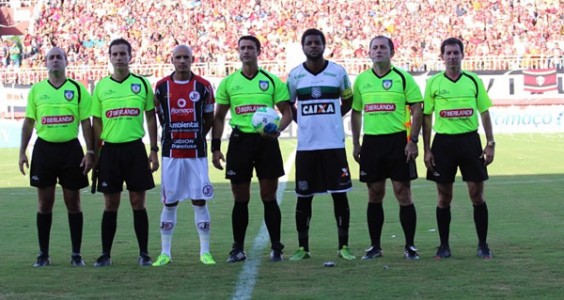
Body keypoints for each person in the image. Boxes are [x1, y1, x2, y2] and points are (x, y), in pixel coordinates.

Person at [211, 35, 293, 263]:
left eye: (250, 48)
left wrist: (278, 129)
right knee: (241, 198)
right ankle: (237, 248)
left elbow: (287, 111)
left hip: (266, 142)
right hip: (239, 141)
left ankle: (277, 247)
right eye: (242, 48)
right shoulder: (229, 82)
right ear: (238, 52)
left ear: (259, 51)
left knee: (269, 195)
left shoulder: (271, 80)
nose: (246, 51)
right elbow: (218, 117)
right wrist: (215, 148)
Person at [19, 47, 93, 267]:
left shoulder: (78, 90)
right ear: (46, 63)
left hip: (71, 150)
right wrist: (22, 151)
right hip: (44, 151)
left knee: (74, 202)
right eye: (51, 58)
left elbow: (86, 122)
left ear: (66, 61)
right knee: (44, 203)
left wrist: (90, 151)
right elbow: (29, 122)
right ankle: (43, 254)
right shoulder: (36, 90)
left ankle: (76, 254)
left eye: (59, 57)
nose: (55, 61)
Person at [351, 35, 423, 260]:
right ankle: (375, 247)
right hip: (372, 143)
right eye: (375, 47)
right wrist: (356, 142)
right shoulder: (362, 80)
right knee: (374, 194)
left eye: (383, 47)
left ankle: (410, 246)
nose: (379, 51)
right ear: (369, 52)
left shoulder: (403, 78)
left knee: (403, 193)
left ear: (392, 52)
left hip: (398, 142)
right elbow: (356, 112)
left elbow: (417, 109)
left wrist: (413, 141)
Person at [286, 28, 355, 261]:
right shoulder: (295, 75)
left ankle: (343, 246)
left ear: (324, 45)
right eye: (309, 43)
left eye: (317, 42)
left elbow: (348, 100)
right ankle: (302, 248)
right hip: (307, 147)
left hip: (333, 145)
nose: (313, 46)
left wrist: (334, 116)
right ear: (303, 47)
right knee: (304, 197)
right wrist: (303, 121)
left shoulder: (338, 72)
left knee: (340, 195)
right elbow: (289, 105)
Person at [422, 37, 495, 259]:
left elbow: (484, 112)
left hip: (470, 142)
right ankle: (444, 246)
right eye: (448, 53)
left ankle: (483, 245)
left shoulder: (473, 81)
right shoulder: (434, 83)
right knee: (444, 197)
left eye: (456, 52)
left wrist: (490, 143)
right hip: (443, 144)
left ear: (463, 55)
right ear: (442, 57)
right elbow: (426, 117)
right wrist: (427, 148)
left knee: (477, 195)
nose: (452, 56)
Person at [91, 38, 159, 267]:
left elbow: (151, 116)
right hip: (110, 151)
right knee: (110, 204)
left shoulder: (142, 84)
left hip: (135, 149)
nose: (119, 57)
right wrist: (94, 152)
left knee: (138, 202)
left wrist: (153, 149)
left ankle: (144, 253)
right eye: (115, 54)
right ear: (109, 57)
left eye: (123, 53)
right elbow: (97, 123)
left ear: (131, 56)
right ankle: (105, 254)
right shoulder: (101, 86)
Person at [152, 45, 216, 266]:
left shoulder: (204, 86)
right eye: (178, 57)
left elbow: (209, 118)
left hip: (196, 153)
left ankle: (205, 252)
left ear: (192, 59)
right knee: (170, 202)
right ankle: (165, 253)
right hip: (171, 153)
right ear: (172, 60)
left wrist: (197, 135)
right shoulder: (161, 87)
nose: (182, 61)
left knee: (200, 200)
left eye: (185, 57)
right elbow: (161, 118)